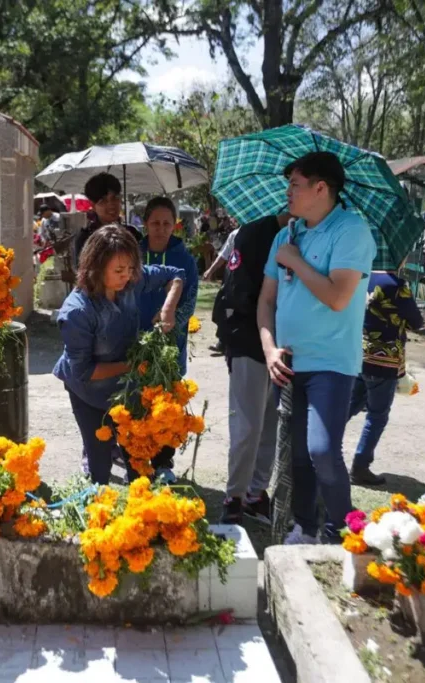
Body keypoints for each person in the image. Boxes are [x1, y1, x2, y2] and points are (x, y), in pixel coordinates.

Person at [256, 151, 376, 545]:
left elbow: (339, 297)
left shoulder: (351, 231)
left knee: (323, 450)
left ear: (321, 188)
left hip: (331, 362)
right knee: (296, 456)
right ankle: (305, 529)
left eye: (295, 184)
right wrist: (269, 349)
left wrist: (296, 260)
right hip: (288, 361)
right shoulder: (285, 234)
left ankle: (344, 534)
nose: (288, 191)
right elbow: (266, 301)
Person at [54, 225, 189, 485]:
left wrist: (168, 309)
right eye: (118, 271)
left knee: (139, 462)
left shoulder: (130, 281)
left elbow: (176, 275)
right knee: (100, 466)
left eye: (130, 269)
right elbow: (84, 371)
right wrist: (132, 366)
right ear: (95, 267)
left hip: (126, 389)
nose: (126, 276)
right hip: (88, 392)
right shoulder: (76, 313)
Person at [217, 213, 290, 524]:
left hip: (288, 344)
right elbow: (238, 292)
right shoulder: (254, 234)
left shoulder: (307, 233)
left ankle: (255, 494)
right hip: (249, 340)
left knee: (272, 422)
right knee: (247, 424)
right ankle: (234, 496)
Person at [138, 197, 199, 483]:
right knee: (137, 401)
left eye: (166, 223)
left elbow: (189, 302)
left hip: (170, 345)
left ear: (175, 224)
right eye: (154, 223)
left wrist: (169, 324)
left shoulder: (184, 259)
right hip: (135, 342)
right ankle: (137, 457)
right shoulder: (134, 254)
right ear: (145, 224)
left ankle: (163, 462)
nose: (161, 229)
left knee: (167, 404)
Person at [346, 268, 425, 486]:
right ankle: (360, 467)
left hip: (358, 355)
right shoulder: (397, 286)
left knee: (347, 408)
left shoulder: (361, 277)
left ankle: (319, 453)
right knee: (377, 415)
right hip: (384, 361)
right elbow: (416, 322)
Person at [73, 172, 142, 264]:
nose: (111, 205)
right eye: (103, 200)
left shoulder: (133, 233)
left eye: (115, 198)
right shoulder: (85, 238)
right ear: (93, 205)